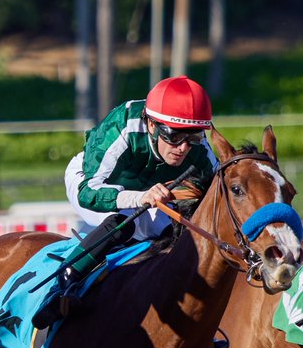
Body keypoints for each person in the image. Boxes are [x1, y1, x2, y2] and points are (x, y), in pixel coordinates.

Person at [32, 75, 218, 328]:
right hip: (93, 182)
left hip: (152, 190)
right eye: (174, 136)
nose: (184, 147)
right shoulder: (123, 126)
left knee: (175, 233)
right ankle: (64, 283)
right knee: (124, 222)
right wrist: (140, 196)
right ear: (152, 125)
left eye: (193, 137)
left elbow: (218, 194)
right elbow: (89, 192)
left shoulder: (200, 149)